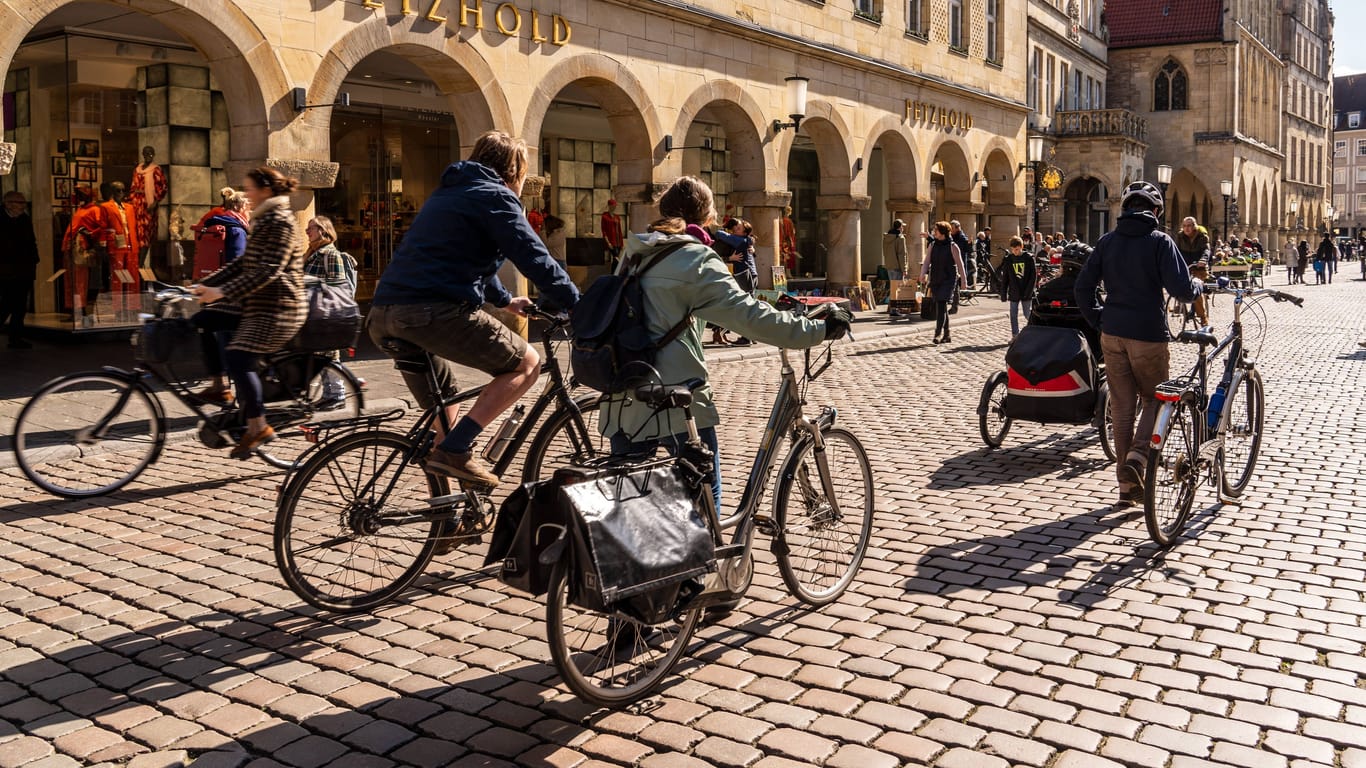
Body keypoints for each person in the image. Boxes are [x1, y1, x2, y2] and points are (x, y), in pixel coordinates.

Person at [602, 175, 850, 520]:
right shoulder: (695, 259)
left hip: (624, 393)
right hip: (675, 398)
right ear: (706, 217)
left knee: (629, 505)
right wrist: (816, 330)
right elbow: (749, 317)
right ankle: (704, 570)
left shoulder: (637, 250)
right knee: (702, 496)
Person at [367, 131, 580, 488]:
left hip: (383, 314)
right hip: (432, 311)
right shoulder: (495, 196)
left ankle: (447, 511)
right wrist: (578, 304)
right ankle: (458, 448)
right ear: (515, 169)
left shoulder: (451, 192)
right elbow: (534, 257)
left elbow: (464, 261)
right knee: (527, 363)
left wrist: (505, 300)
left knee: (445, 410)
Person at [1075, 181, 1201, 509]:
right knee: (1156, 398)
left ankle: (1126, 486)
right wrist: (1198, 285)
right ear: (1155, 211)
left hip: (1112, 334)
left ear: (1126, 207)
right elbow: (1183, 290)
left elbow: (1082, 287)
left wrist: (1099, 319)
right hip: (1148, 334)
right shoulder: (1160, 242)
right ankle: (1138, 455)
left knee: (1122, 408)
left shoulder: (1107, 241)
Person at [191, 167, 308, 458]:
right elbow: (242, 264)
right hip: (256, 302)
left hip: (280, 306)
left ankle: (258, 426)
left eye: (250, 189)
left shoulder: (280, 221)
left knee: (238, 356)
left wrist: (223, 292)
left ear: (266, 191)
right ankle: (219, 385)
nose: (246, 195)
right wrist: (205, 284)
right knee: (202, 321)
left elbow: (269, 270)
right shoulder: (263, 219)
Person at [0, 191, 39, 349]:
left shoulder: (24, 219)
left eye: (24, 204)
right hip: (5, 269)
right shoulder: (1, 219)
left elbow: (31, 241)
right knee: (6, 303)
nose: (23, 206)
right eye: (19, 203)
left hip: (23, 269)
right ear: (8, 203)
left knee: (20, 305)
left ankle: (16, 338)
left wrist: (34, 260)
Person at [919, 221, 968, 345]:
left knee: (941, 304)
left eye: (936, 230)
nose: (934, 232)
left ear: (943, 232)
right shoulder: (933, 245)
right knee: (941, 306)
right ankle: (947, 334)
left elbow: (960, 265)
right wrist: (922, 274)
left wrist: (964, 281)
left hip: (948, 279)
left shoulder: (953, 246)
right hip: (936, 278)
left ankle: (938, 333)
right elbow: (926, 262)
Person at [713, 217, 758, 347]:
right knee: (749, 304)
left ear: (744, 232)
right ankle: (750, 335)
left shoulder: (739, 240)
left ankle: (746, 337)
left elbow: (719, 234)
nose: (735, 229)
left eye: (738, 228)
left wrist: (725, 228)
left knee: (744, 305)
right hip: (751, 273)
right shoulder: (746, 240)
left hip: (744, 273)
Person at [99, 182, 140, 321]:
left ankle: (132, 308)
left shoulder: (130, 208)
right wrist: (104, 244)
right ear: (112, 191)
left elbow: (135, 227)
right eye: (118, 190)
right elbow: (103, 226)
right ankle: (118, 309)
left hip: (131, 245)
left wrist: (137, 242)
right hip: (116, 245)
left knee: (133, 278)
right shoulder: (105, 207)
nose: (121, 193)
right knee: (117, 278)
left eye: (123, 190)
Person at [128, 146, 167, 267]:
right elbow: (133, 187)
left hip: (148, 205)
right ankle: (136, 265)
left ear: (153, 154)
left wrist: (154, 203)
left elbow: (163, 188)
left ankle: (140, 264)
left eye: (150, 153)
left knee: (145, 234)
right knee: (136, 233)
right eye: (146, 153)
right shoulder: (138, 169)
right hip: (136, 204)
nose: (148, 155)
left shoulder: (156, 170)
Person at [1174, 217, 1211, 326]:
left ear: (1194, 226)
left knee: (1196, 289)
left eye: (1189, 226)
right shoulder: (1180, 236)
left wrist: (1203, 259)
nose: (1187, 228)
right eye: (1184, 226)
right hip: (1186, 267)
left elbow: (1206, 250)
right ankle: (1179, 306)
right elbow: (1175, 250)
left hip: (1199, 267)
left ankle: (1203, 318)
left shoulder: (1202, 236)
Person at [998, 236, 1036, 339]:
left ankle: (1035, 331)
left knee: (1027, 313)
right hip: (1014, 291)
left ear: (1021, 247)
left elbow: (1033, 277)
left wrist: (1029, 291)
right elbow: (1005, 278)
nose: (1014, 251)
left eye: (1016, 249)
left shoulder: (1028, 258)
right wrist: (1003, 293)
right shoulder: (1009, 259)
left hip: (1026, 290)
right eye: (1013, 249)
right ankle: (1015, 335)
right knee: (1013, 315)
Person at [600, 199, 624, 267]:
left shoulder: (617, 217)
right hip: (611, 241)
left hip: (618, 241)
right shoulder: (605, 217)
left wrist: (621, 243)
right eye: (613, 205)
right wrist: (608, 242)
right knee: (616, 257)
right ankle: (614, 274)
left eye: (615, 206)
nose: (614, 207)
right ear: (609, 206)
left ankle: (613, 274)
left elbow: (619, 230)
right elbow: (603, 230)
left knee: (615, 260)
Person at [779, 205, 798, 272]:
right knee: (788, 257)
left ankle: (785, 272)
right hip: (788, 242)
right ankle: (787, 272)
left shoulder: (781, 220)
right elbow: (792, 232)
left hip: (783, 241)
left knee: (784, 257)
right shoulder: (788, 221)